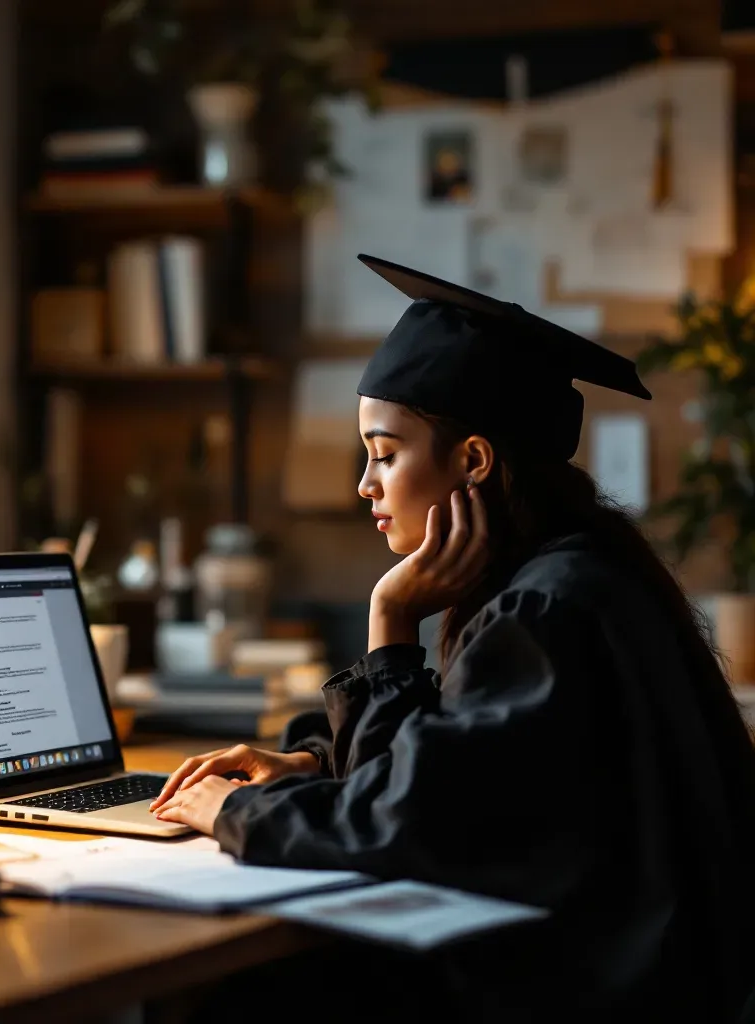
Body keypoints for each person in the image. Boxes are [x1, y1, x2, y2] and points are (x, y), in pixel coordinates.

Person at [149, 255, 755, 1021]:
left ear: (472, 461)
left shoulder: (543, 612)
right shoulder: (575, 572)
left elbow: (402, 828)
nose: (366, 485)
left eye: (386, 453)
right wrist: (310, 761)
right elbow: (460, 768)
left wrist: (228, 809)